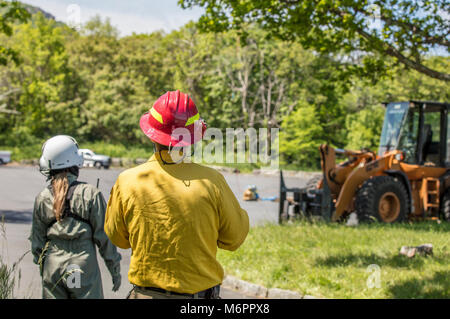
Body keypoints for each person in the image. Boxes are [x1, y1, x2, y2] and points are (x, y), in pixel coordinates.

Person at [105, 90, 249, 299]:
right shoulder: (212, 181)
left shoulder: (127, 181)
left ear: (151, 132)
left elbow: (118, 237)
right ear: (191, 138)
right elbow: (234, 238)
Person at [29, 135, 122, 299]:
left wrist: (45, 267)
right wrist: (114, 269)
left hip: (53, 265)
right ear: (74, 164)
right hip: (82, 265)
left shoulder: (42, 197)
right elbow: (104, 237)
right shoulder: (90, 193)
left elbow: (37, 243)